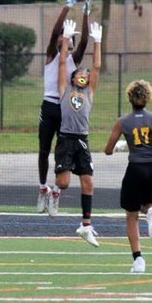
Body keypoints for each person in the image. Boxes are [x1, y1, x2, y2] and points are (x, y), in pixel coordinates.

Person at [104, 80, 152, 274]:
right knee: (147, 204)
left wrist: (121, 145)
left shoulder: (123, 122)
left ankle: (138, 260)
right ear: (148, 97)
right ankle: (151, 210)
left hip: (135, 168)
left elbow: (108, 150)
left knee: (131, 216)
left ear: (130, 97)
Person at [37, 0, 92, 216]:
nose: (69, 41)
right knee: (43, 149)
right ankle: (42, 188)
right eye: (66, 38)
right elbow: (54, 33)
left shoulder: (73, 59)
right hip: (49, 106)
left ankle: (56, 192)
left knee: (64, 152)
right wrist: (67, 7)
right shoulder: (52, 55)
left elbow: (85, 41)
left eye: (71, 40)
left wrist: (86, 12)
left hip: (66, 110)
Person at [54, 17, 102, 246]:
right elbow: (63, 63)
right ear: (74, 78)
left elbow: (97, 67)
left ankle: (86, 225)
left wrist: (97, 42)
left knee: (88, 183)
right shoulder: (65, 89)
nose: (83, 74)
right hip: (65, 139)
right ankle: (55, 189)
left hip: (82, 140)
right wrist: (65, 40)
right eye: (80, 72)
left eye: (86, 73)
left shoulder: (89, 92)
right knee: (63, 184)